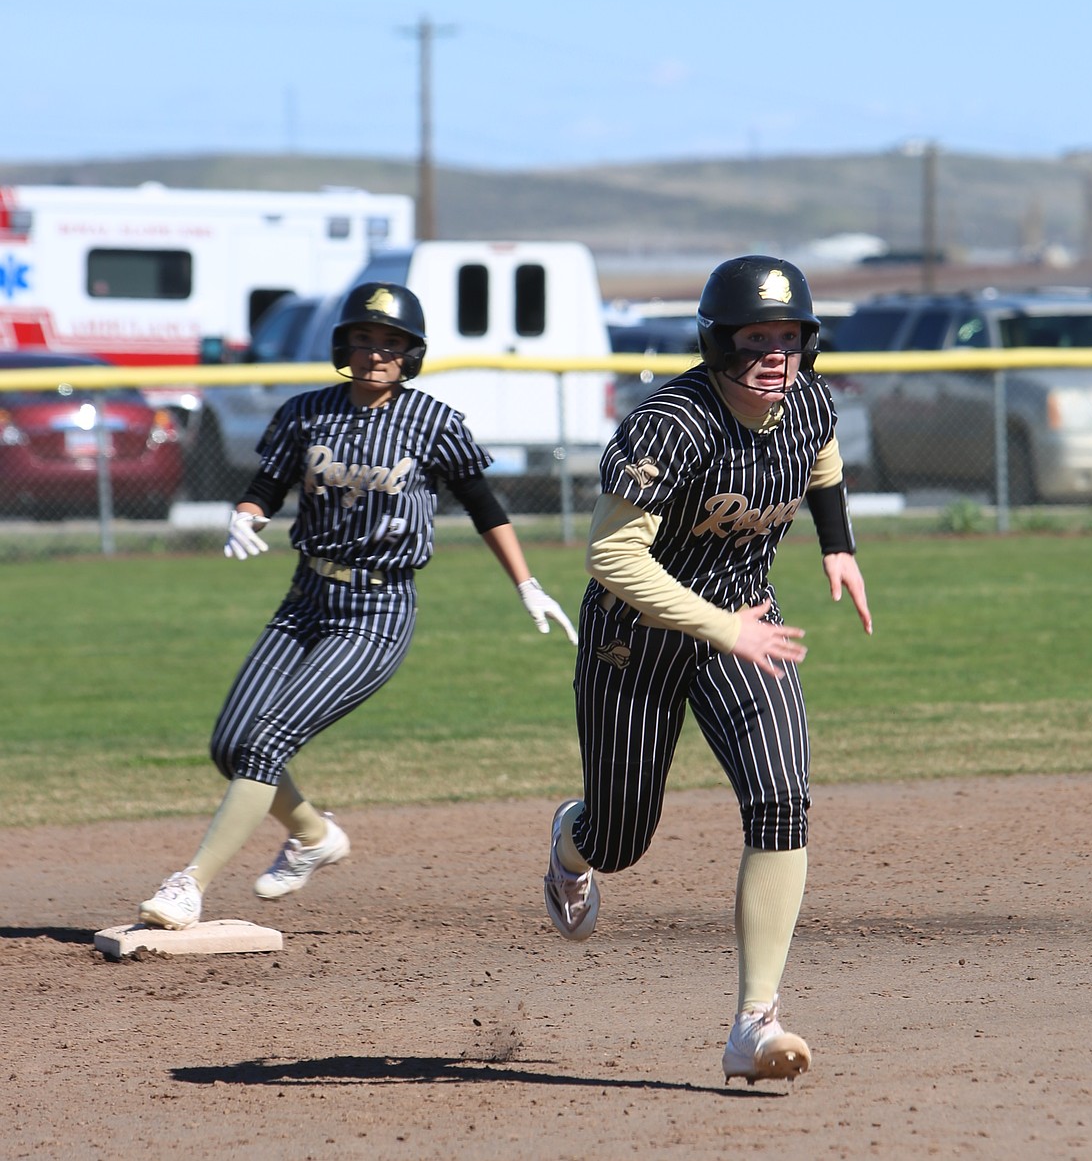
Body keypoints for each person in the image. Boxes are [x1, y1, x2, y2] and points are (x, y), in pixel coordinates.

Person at [139, 282, 577, 931]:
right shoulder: (307, 411)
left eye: (392, 343)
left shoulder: (433, 422)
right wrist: (246, 515)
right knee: (231, 743)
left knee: (264, 742)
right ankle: (314, 836)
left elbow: (485, 506)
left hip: (377, 611)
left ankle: (191, 882)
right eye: (365, 340)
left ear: (411, 354)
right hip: (305, 597)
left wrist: (526, 582)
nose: (377, 353)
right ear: (344, 345)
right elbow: (267, 484)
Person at [542, 256, 872, 1086]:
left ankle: (754, 1022)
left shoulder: (807, 401)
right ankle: (572, 844)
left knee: (781, 797)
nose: (776, 353)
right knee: (622, 838)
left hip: (746, 626)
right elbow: (613, 557)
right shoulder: (672, 423)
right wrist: (720, 626)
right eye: (757, 337)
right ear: (719, 341)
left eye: (790, 336)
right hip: (636, 636)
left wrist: (838, 545)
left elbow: (822, 456)